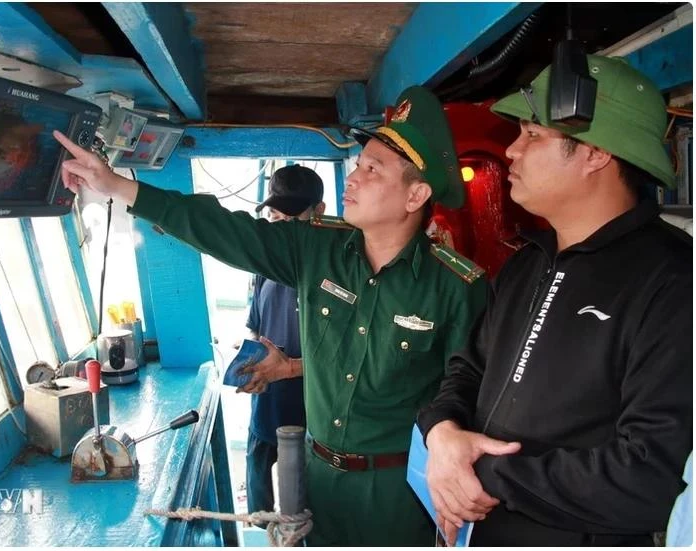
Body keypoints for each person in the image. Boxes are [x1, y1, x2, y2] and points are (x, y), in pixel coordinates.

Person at [53, 84, 487, 546]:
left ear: (416, 194)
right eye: (358, 165)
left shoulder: (458, 288)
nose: (354, 178)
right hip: (316, 481)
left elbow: (470, 397)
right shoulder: (314, 247)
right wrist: (116, 186)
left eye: (372, 170)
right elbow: (222, 230)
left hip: (397, 496)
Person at [417, 55, 693, 546]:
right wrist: (441, 432)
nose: (512, 151)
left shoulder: (672, 279)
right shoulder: (527, 263)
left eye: (532, 135)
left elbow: (650, 474)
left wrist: (480, 475)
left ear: (596, 154)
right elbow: (468, 370)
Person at [239, 165, 325, 518]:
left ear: (318, 212)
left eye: (293, 216)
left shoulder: (334, 267)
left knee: (307, 502)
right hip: (267, 401)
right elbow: (256, 330)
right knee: (261, 492)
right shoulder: (264, 264)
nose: (281, 225)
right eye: (275, 215)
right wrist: (248, 366)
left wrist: (291, 368)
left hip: (315, 408)